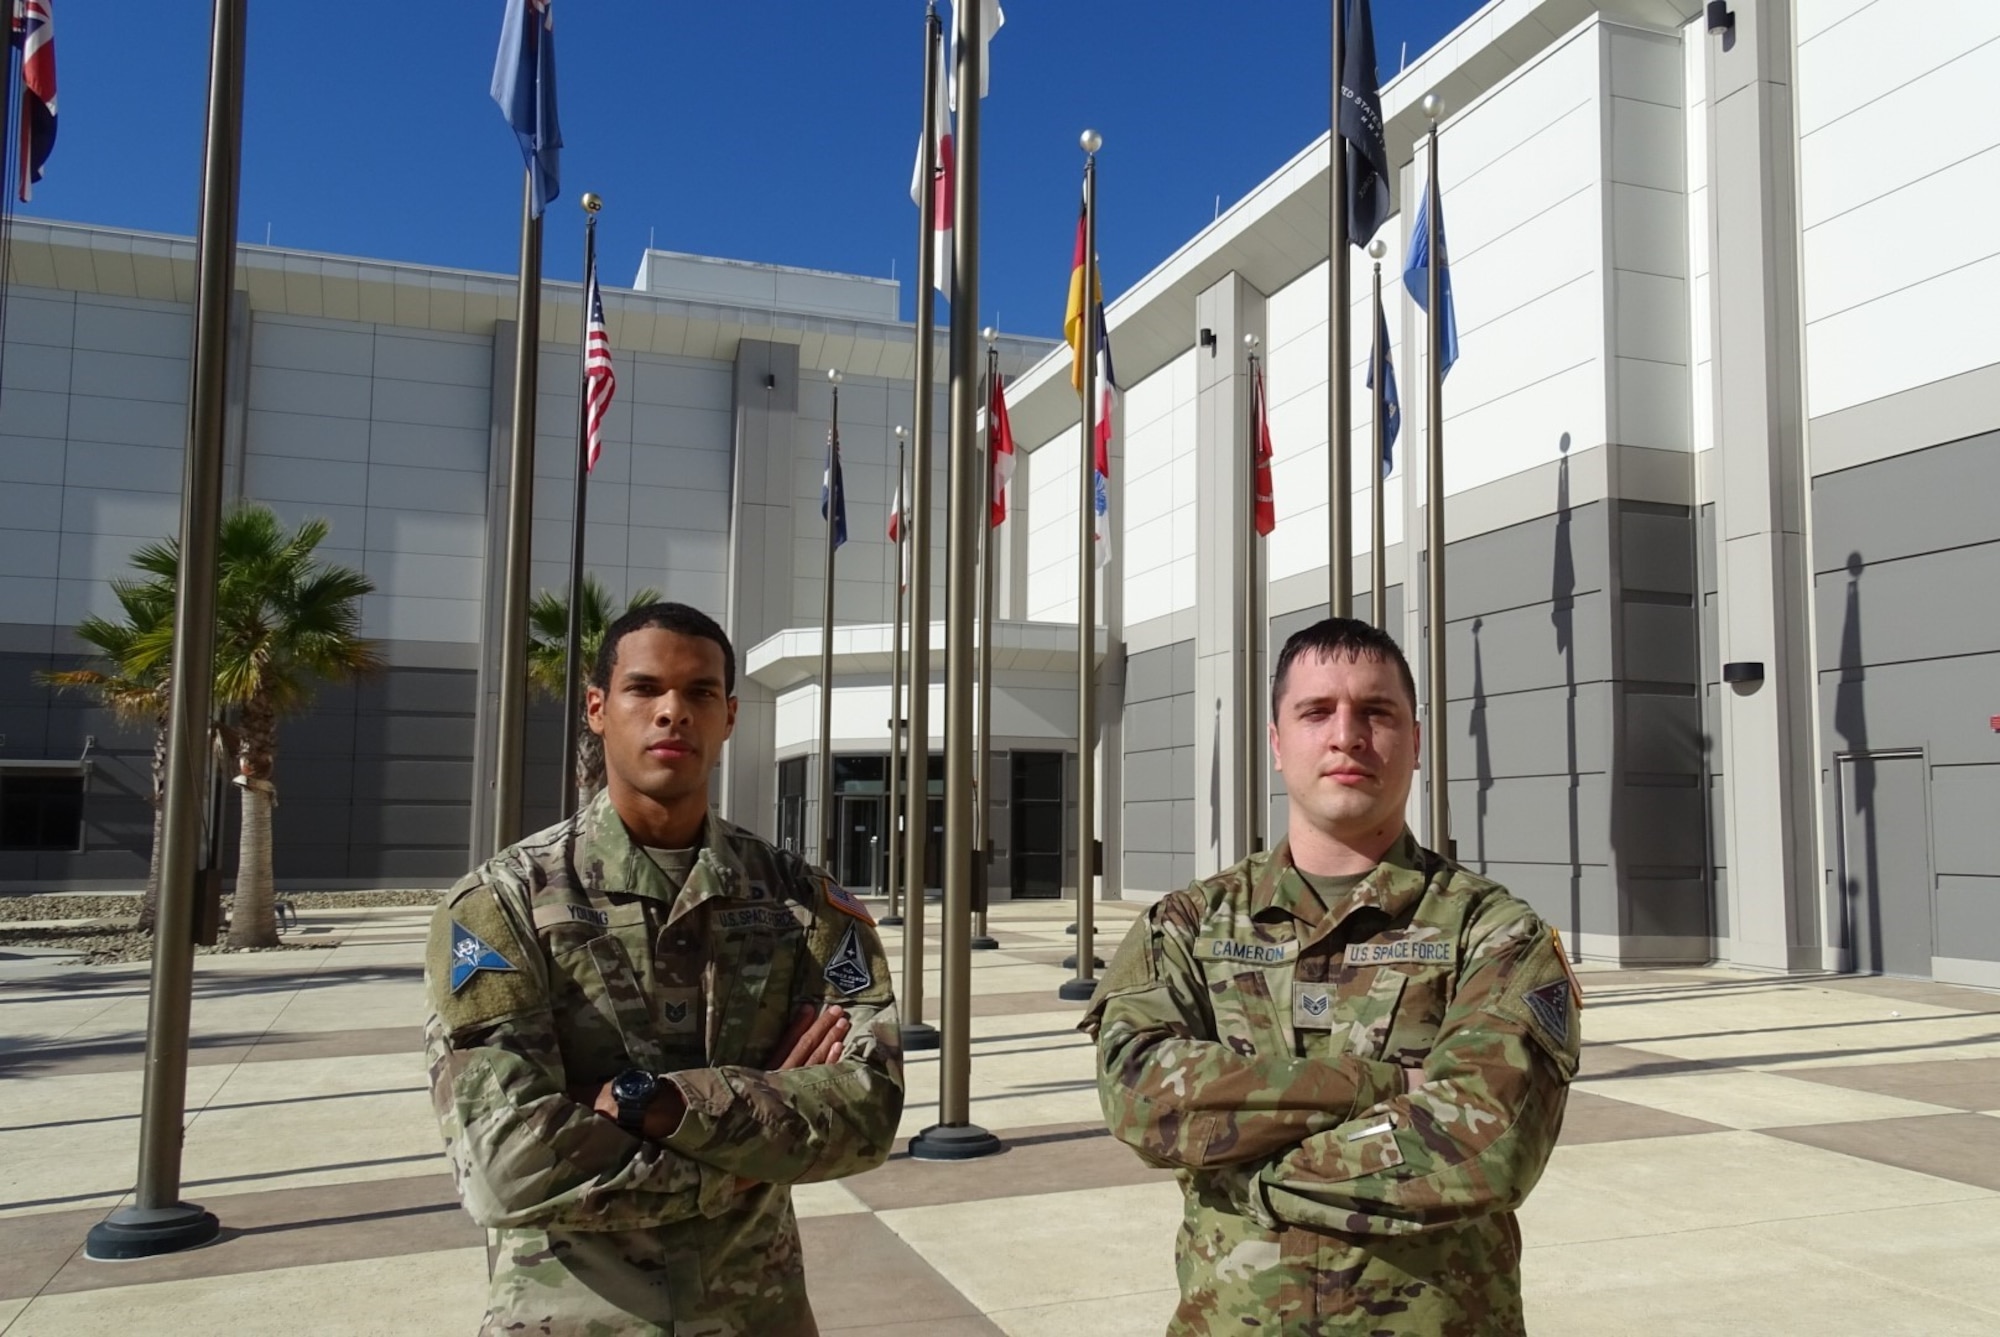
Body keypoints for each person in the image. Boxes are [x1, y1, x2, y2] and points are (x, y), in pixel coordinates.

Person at [1082, 617, 1580, 1335]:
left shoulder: (1495, 931)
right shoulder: (1188, 925)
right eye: (1317, 711)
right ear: (1278, 744)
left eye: (1376, 712)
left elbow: (1489, 1141)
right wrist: (1381, 1087)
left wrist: (1252, 1174)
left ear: (1415, 740)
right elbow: (1141, 1096)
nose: (1346, 734)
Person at [423, 601, 903, 1336]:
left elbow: (868, 1109)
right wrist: (746, 1145)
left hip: (757, 1313)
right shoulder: (502, 904)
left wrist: (657, 1104)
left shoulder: (803, 902)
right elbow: (506, 1161)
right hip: (574, 1316)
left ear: (730, 715)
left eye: (700, 692)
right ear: (597, 708)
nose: (673, 712)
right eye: (645, 689)